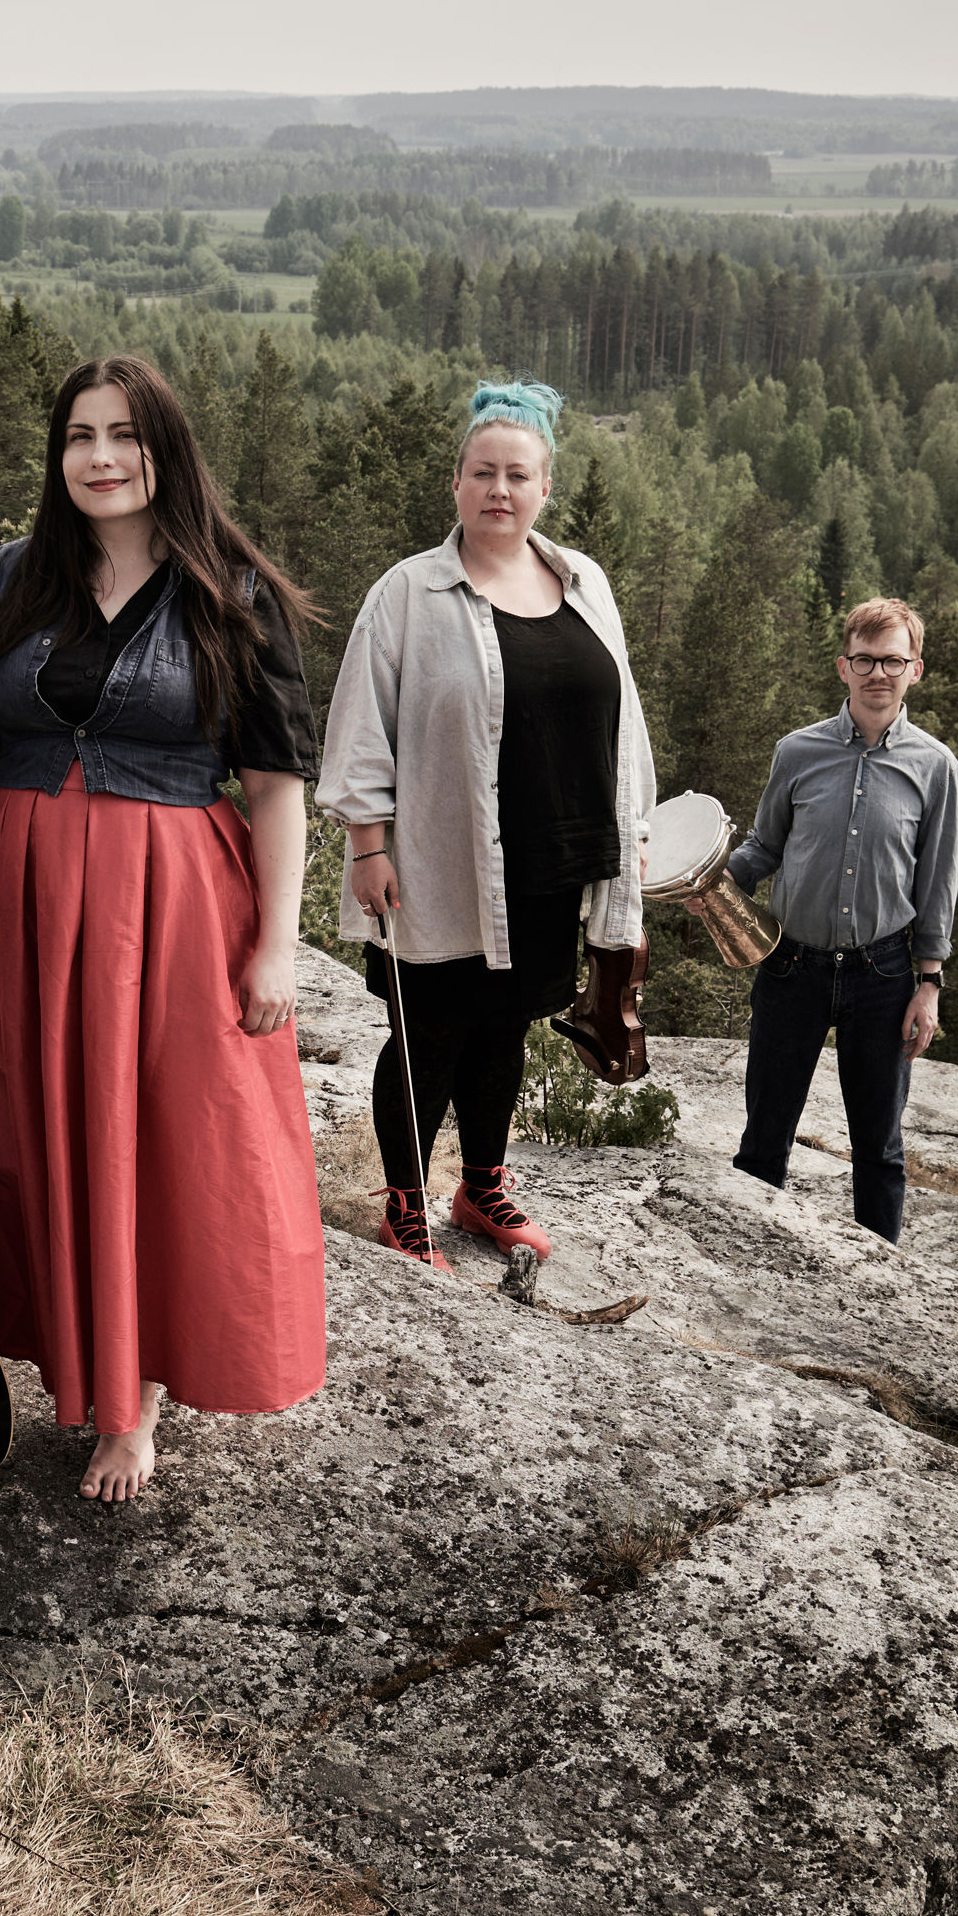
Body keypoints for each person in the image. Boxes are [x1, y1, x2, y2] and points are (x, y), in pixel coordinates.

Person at [0, 357, 325, 1503]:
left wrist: (275, 943)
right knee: (26, 1129)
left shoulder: (232, 589)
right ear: (56, 453)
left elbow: (273, 785)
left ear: (164, 452)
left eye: (125, 435)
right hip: (28, 902)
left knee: (158, 1142)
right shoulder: (16, 577)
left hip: (171, 907)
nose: (102, 457)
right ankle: (61, 1359)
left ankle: (132, 1403)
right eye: (80, 436)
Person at [318, 380, 657, 1275]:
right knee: (427, 1034)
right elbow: (360, 725)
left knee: (504, 1029)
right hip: (439, 857)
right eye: (482, 472)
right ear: (456, 483)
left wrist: (634, 832)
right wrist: (368, 843)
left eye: (518, 474)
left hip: (549, 862)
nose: (499, 489)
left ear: (546, 486)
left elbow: (626, 720)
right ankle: (404, 1202)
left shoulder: (585, 582)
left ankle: (480, 1185)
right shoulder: (408, 593)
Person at [721, 595, 958, 1243]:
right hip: (790, 964)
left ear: (916, 669)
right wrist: (713, 880)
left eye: (892, 660)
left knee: (879, 1150)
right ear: (842, 666)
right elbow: (763, 846)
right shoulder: (796, 752)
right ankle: (743, 1270)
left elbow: (938, 881)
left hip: (882, 975)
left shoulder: (936, 768)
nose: (878, 673)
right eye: (865, 659)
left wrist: (930, 983)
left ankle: (876, 1287)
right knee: (763, 1138)